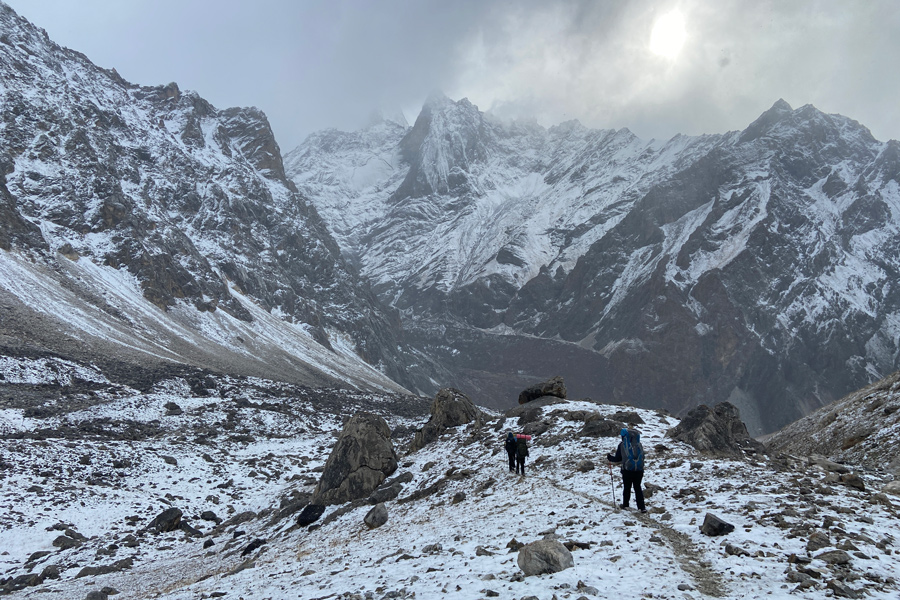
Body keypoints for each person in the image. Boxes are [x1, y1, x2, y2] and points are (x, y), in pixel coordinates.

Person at [607, 428, 646, 513]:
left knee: (627, 487)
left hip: (627, 470)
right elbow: (643, 457)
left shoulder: (622, 445)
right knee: (638, 488)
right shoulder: (639, 444)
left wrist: (610, 457)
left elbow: (617, 459)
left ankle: (625, 505)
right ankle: (642, 507)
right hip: (639, 470)